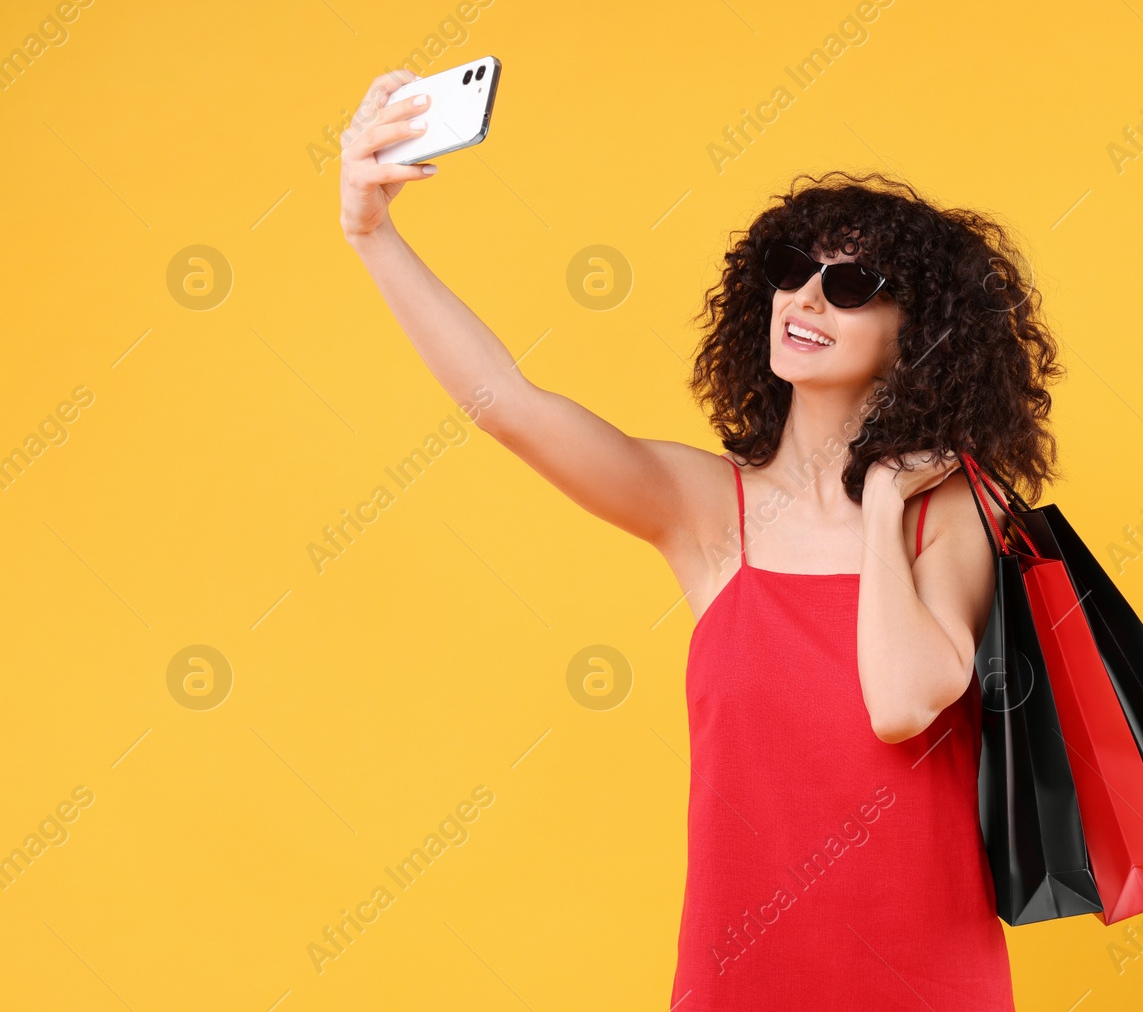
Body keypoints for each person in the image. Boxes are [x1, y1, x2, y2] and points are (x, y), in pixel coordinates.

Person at [339, 69, 1064, 1010]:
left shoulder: (954, 509)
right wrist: (371, 233)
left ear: (915, 334)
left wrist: (883, 502)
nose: (805, 298)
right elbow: (506, 405)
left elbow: (900, 703)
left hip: (923, 980)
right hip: (743, 980)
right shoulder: (708, 511)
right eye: (792, 270)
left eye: (848, 285)